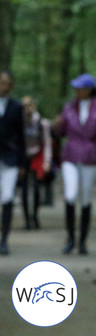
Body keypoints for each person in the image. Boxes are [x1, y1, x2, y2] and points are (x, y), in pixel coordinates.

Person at [57, 73, 96, 255]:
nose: (77, 91)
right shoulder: (69, 108)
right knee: (70, 194)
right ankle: (70, 238)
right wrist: (56, 125)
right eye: (76, 88)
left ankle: (82, 241)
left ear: (89, 90)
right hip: (70, 155)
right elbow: (61, 131)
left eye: (80, 88)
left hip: (89, 156)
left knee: (86, 197)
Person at [0, 70, 25, 255]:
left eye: (5, 83)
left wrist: (23, 163)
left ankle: (4, 239)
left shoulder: (16, 107)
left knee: (7, 196)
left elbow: (21, 136)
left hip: (10, 158)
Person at [21, 96, 53, 230]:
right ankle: (27, 219)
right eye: (24, 106)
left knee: (35, 189)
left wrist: (47, 161)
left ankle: (35, 216)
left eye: (29, 105)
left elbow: (47, 143)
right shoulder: (19, 122)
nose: (27, 108)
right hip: (23, 157)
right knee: (23, 190)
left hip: (37, 157)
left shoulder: (42, 123)